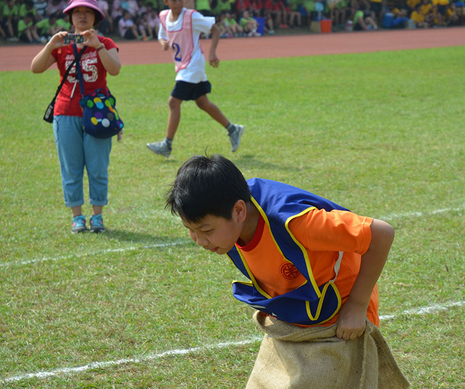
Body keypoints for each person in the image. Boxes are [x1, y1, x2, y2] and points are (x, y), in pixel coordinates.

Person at [165, 154, 410, 388]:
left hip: (342, 312)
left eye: (206, 231)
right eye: (191, 229)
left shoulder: (296, 223)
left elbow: (381, 234)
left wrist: (357, 306)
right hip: (300, 313)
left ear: (239, 211)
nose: (199, 240)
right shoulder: (228, 222)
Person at [30, 0, 122, 234]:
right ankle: (77, 217)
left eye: (88, 12)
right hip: (65, 113)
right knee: (71, 167)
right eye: (77, 12)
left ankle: (98, 217)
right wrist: (50, 44)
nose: (82, 16)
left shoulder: (106, 43)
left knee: (97, 167)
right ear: (70, 16)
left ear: (95, 17)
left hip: (98, 115)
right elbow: (35, 68)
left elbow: (115, 69)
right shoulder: (62, 45)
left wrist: (98, 45)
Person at [146, 0, 244, 158]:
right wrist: (163, 43)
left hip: (193, 65)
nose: (178, 2)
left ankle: (167, 145)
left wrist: (212, 53)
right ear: (166, 2)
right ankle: (233, 129)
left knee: (173, 102)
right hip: (182, 67)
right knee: (202, 102)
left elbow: (216, 30)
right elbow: (162, 35)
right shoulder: (164, 16)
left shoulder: (191, 16)